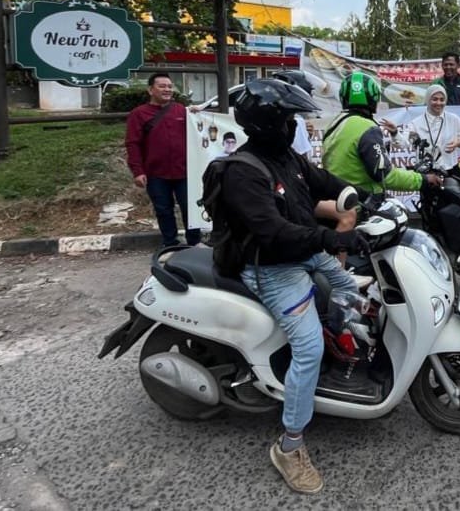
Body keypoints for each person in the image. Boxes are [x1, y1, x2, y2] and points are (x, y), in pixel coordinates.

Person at [219, 78, 367, 494]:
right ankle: (289, 446)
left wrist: (363, 198)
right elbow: (274, 233)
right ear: (269, 123)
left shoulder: (287, 157)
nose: (293, 127)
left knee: (356, 291)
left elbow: (325, 182)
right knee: (308, 348)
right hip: (272, 267)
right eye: (288, 120)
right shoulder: (243, 173)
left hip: (300, 251)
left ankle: (347, 351)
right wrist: (333, 238)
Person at [321, 71, 440, 196]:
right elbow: (385, 175)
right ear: (374, 99)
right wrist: (424, 180)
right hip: (360, 203)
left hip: (336, 198)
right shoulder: (367, 127)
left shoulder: (334, 124)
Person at [125, 72, 201, 247]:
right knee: (163, 210)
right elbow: (133, 144)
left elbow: (199, 132)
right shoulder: (138, 114)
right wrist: (138, 171)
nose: (167, 89)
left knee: (190, 209)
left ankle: (194, 243)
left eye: (169, 86)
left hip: (184, 171)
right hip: (155, 173)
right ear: (150, 90)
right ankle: (171, 244)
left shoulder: (181, 110)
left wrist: (197, 115)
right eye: (162, 86)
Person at [405, 84, 460, 177]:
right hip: (427, 173)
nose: (439, 103)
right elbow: (404, 142)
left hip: (451, 170)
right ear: (427, 100)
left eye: (442, 99)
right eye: (435, 99)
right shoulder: (416, 123)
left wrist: (458, 142)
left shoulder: (454, 119)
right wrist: (394, 133)